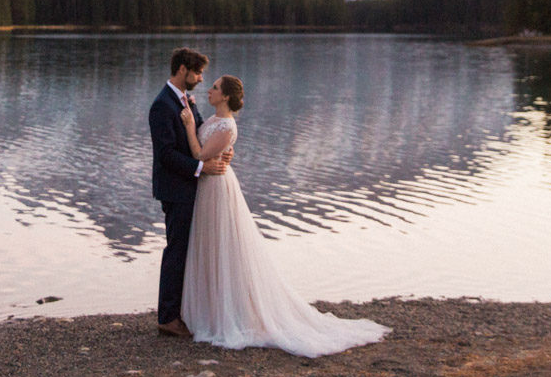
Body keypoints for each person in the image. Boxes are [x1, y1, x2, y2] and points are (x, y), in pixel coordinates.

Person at [178, 73, 390, 357]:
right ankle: (210, 311)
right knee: (209, 247)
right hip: (206, 186)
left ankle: (230, 313)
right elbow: (214, 151)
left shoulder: (227, 126)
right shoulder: (215, 121)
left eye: (215, 88)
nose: (209, 90)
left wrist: (191, 127)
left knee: (224, 246)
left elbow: (200, 155)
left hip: (216, 186)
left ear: (225, 96)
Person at [149, 47, 232, 337]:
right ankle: (168, 318)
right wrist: (201, 169)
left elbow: (197, 136)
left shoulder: (184, 100)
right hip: (175, 189)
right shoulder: (162, 105)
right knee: (176, 251)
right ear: (182, 70)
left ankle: (181, 311)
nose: (199, 78)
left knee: (186, 251)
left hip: (189, 187)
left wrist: (220, 153)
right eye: (197, 72)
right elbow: (166, 155)